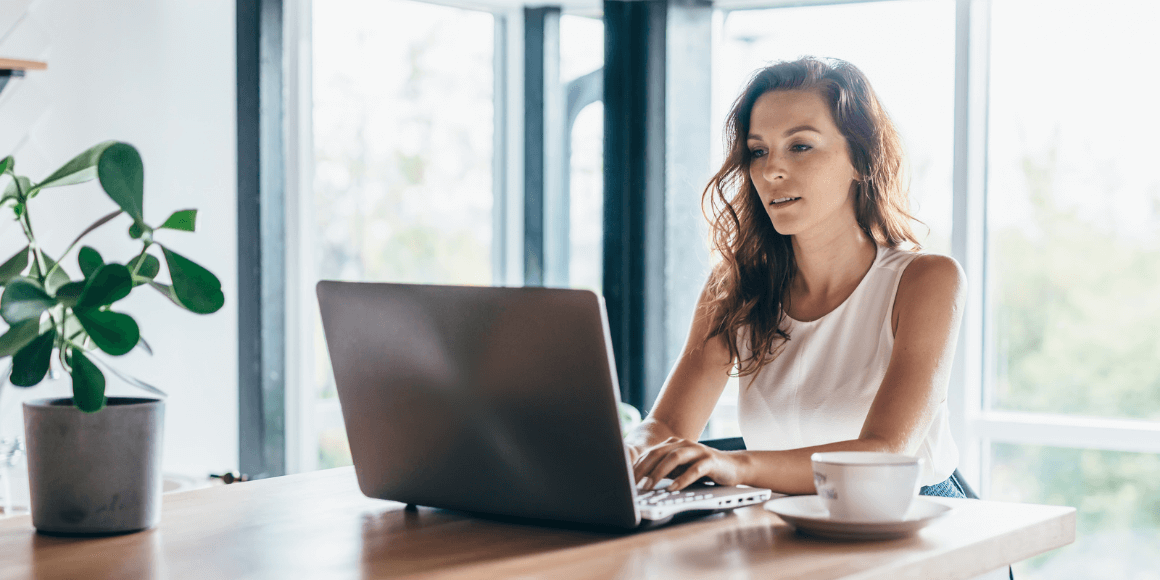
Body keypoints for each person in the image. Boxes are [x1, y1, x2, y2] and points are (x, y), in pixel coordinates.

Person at [625, 56, 967, 498]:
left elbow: (885, 453)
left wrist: (736, 465)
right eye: (758, 151)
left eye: (800, 146)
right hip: (788, 519)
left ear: (861, 160)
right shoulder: (734, 287)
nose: (771, 171)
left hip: (917, 525)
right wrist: (621, 453)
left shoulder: (926, 280)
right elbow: (666, 426)